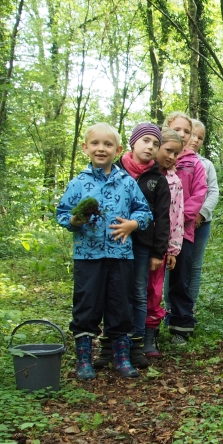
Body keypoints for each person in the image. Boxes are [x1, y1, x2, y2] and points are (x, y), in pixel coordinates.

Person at [56, 122, 152, 380]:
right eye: (95, 144)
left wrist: (133, 224)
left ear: (118, 149)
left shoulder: (127, 182)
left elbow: (145, 212)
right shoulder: (78, 183)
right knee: (86, 304)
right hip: (87, 256)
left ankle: (121, 356)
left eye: (108, 144)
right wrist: (75, 221)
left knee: (121, 305)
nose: (101, 149)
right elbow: (63, 214)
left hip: (120, 255)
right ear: (85, 148)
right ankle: (84, 359)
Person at [114, 122, 170, 369]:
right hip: (115, 243)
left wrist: (159, 251)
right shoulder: (115, 171)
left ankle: (135, 342)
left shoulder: (158, 180)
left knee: (138, 291)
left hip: (143, 245)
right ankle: (115, 341)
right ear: (133, 142)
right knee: (117, 292)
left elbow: (163, 218)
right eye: (146, 140)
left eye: (155, 143)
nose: (150, 146)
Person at [163, 111, 208, 344]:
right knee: (147, 279)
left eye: (186, 131)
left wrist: (179, 218)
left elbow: (200, 193)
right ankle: (143, 328)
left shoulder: (195, 164)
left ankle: (181, 327)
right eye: (177, 129)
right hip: (153, 233)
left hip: (184, 233)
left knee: (181, 278)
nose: (182, 134)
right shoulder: (156, 158)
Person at [143, 127, 186, 358]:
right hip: (138, 243)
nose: (171, 157)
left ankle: (150, 338)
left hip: (160, 246)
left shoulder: (174, 181)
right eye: (168, 150)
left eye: (176, 153)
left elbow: (176, 217)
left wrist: (172, 250)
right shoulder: (141, 175)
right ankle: (129, 336)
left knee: (154, 291)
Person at [186, 118, 219, 320]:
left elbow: (213, 192)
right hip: (178, 225)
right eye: (193, 135)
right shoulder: (172, 161)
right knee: (173, 265)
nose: (196, 140)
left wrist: (201, 214)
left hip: (201, 223)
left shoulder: (206, 165)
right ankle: (170, 308)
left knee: (194, 266)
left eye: (200, 138)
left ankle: (189, 308)